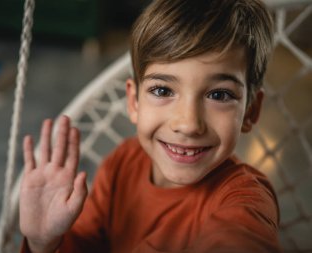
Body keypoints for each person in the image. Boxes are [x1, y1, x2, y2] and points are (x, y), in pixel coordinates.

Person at [19, 0, 281, 252]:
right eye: (163, 90)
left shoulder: (245, 198)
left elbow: (242, 238)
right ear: (134, 102)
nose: (188, 124)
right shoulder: (123, 162)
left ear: (250, 111)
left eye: (219, 95)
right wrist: (43, 243)